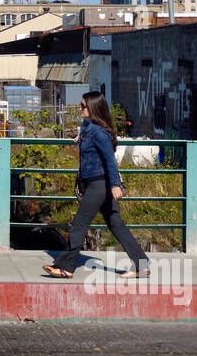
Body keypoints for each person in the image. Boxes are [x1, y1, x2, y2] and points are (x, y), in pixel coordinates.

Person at [44, 91, 152, 279]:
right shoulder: (89, 128)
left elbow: (110, 160)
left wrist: (116, 184)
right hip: (95, 182)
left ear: (93, 108)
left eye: (83, 106)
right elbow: (86, 131)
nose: (80, 108)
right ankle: (141, 265)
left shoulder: (99, 133)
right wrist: (80, 138)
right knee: (115, 224)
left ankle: (65, 267)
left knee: (79, 224)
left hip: (99, 184)